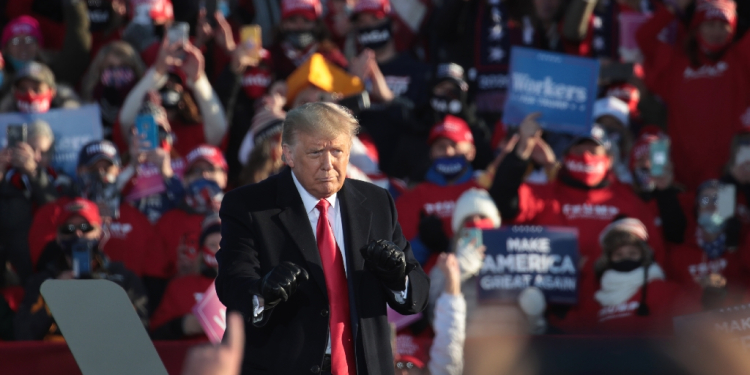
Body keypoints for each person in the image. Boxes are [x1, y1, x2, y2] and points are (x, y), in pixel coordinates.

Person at [216, 102, 429, 374]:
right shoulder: (248, 206)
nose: (328, 165)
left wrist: (399, 278)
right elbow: (232, 282)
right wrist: (262, 292)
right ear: (288, 155)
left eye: (337, 151)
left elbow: (419, 292)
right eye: (316, 152)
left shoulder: (377, 202)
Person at [489, 113, 666, 303]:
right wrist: (522, 150)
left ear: (610, 158)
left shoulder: (630, 202)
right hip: (554, 310)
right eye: (579, 151)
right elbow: (502, 202)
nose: (586, 157)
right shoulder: (546, 194)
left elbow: (656, 256)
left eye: (594, 151)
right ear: (565, 156)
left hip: (614, 311)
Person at [636, 0, 750, 190]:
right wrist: (675, 7)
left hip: (728, 175)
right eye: (710, 24)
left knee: (716, 218)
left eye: (724, 25)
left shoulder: (740, 61)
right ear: (696, 27)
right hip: (682, 175)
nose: (717, 32)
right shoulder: (676, 63)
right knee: (684, 219)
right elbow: (644, 36)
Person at [14, 198, 149, 340]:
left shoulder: (122, 278)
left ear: (98, 232)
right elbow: (22, 335)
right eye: (69, 229)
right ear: (58, 237)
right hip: (55, 358)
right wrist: (54, 297)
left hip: (105, 357)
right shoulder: (42, 282)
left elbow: (141, 333)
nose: (78, 234)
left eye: (85, 228)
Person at [561, 218, 693, 335]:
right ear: (608, 260)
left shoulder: (669, 292)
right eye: (619, 255)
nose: (626, 258)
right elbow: (574, 331)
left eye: (632, 253)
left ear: (644, 256)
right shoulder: (596, 300)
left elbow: (688, 334)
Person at [117, 36, 228, 156]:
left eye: (174, 82)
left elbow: (219, 129)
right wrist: (157, 72)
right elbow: (125, 120)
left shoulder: (192, 130)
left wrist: (198, 80)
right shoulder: (140, 130)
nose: (168, 86)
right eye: (163, 83)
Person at [395, 115, 481, 267]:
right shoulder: (412, 198)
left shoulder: (484, 191)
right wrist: (423, 243)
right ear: (431, 153)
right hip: (433, 284)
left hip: (480, 282)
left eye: (454, 145)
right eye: (441, 146)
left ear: (471, 151)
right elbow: (399, 262)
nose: (448, 152)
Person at [666, 180, 750, 309]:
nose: (711, 204)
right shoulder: (679, 254)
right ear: (697, 207)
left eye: (717, 200)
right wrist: (699, 289)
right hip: (695, 324)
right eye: (705, 200)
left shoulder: (742, 248)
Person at [0, 120, 59, 283]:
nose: (37, 157)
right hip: (12, 275)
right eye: (32, 150)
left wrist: (34, 173)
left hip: (52, 269)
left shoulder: (61, 182)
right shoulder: (7, 181)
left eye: (44, 152)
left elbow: (57, 212)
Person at [150, 214, 221, 340]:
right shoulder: (179, 287)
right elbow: (156, 333)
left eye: (223, 244)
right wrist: (183, 325)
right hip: (188, 356)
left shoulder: (244, 288)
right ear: (202, 249)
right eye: (212, 245)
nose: (218, 250)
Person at [80, 41, 147, 138]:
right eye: (111, 67)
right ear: (100, 70)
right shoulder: (90, 100)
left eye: (124, 67)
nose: (117, 73)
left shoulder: (143, 101)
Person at [0, 61, 80, 113]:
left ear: (52, 92)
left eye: (37, 89)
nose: (29, 95)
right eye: (22, 89)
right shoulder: (5, 116)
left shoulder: (71, 114)